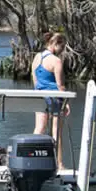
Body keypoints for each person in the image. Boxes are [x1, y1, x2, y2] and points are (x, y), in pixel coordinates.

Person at [31, 32, 70, 170]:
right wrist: (65, 102)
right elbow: (60, 85)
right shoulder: (56, 61)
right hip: (54, 97)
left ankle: (32, 160)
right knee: (56, 131)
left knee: (39, 128)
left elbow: (35, 80)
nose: (62, 50)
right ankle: (59, 164)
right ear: (55, 44)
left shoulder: (36, 57)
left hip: (39, 96)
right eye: (62, 47)